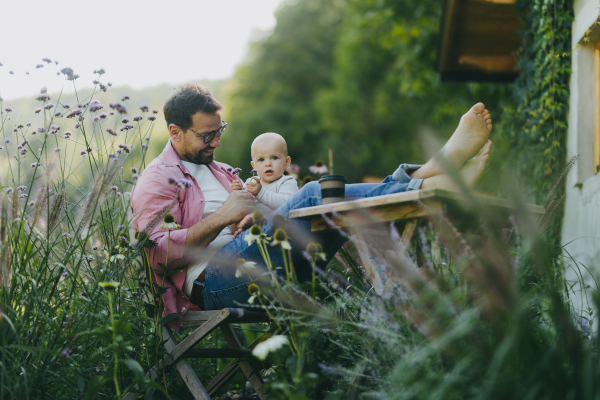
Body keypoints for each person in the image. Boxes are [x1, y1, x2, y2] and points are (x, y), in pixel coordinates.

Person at [131, 83, 493, 329]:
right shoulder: (158, 179)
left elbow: (254, 217)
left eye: (219, 129)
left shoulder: (224, 172)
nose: (217, 141)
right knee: (316, 195)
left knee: (330, 216)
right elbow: (155, 254)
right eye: (207, 135)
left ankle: (428, 178)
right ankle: (426, 176)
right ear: (176, 132)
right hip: (216, 283)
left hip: (261, 258)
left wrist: (250, 216)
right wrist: (223, 216)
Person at [230, 132, 299, 236]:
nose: (268, 164)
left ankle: (252, 224)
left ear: (287, 162)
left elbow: (287, 205)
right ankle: (244, 227)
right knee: (238, 210)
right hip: (256, 231)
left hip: (278, 229)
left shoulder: (287, 182)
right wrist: (237, 193)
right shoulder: (251, 182)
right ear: (254, 166)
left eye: (274, 157)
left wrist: (261, 193)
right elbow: (241, 205)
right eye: (261, 159)